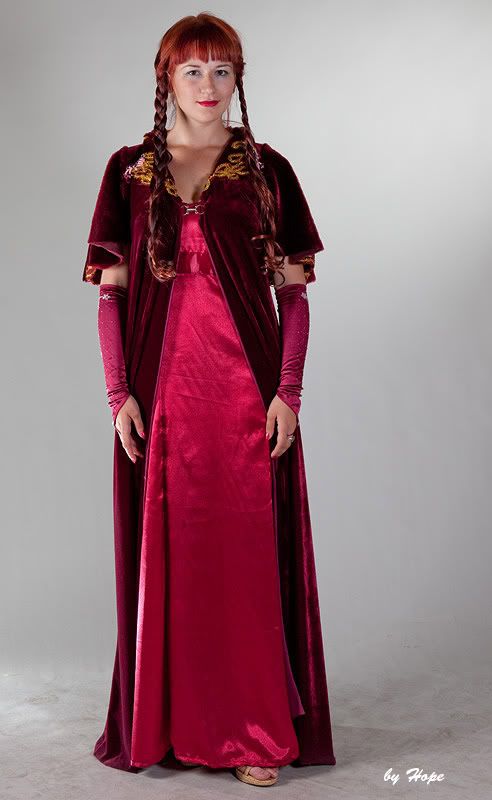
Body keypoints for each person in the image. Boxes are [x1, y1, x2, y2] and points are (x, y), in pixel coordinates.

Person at [82, 12, 336, 788]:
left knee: (245, 564)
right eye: (192, 70)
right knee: (176, 562)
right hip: (162, 400)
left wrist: (288, 391)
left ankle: (254, 733)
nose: (207, 84)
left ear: (238, 79)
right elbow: (110, 296)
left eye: (222, 70)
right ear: (167, 78)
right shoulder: (128, 171)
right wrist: (118, 393)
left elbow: (294, 296)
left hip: (246, 400)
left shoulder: (268, 171)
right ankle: (167, 726)